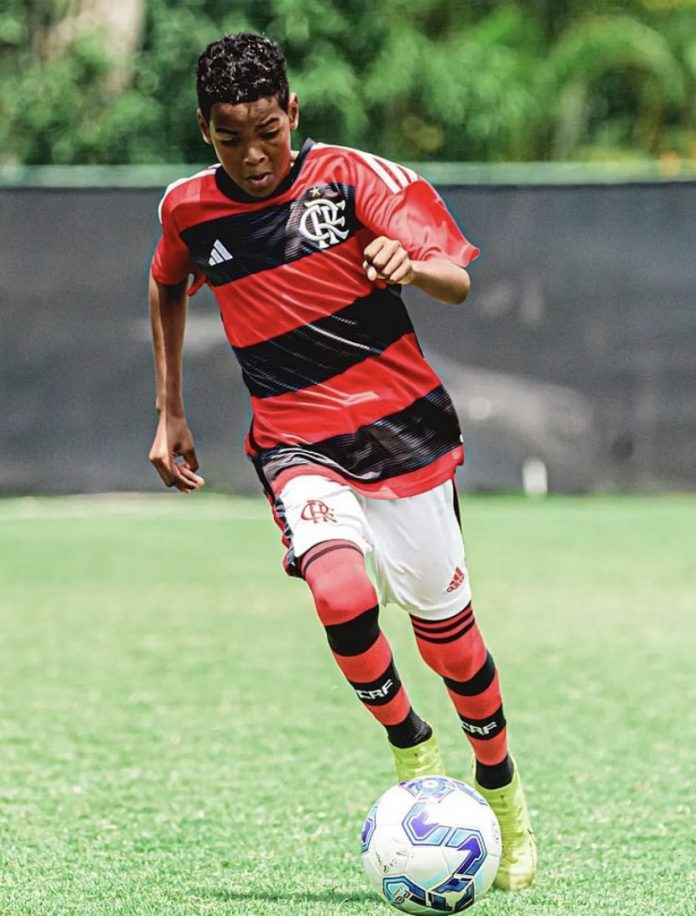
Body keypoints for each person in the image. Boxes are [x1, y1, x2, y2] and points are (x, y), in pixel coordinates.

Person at [148, 32, 536, 890]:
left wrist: (412, 263)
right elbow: (167, 281)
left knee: (453, 647)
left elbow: (456, 278)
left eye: (267, 132)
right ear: (204, 130)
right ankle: (410, 744)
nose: (252, 155)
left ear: (294, 112)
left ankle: (503, 796)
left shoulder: (358, 178)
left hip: (404, 437)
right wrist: (171, 409)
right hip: (294, 442)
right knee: (339, 591)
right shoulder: (187, 209)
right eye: (228, 138)